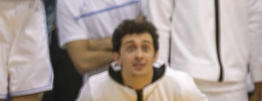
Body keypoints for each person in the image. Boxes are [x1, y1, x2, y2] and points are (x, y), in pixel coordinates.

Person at [75, 19, 208, 101]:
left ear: (155, 55)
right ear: (116, 57)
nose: (139, 55)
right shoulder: (96, 89)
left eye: (145, 48)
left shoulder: (180, 85)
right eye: (131, 48)